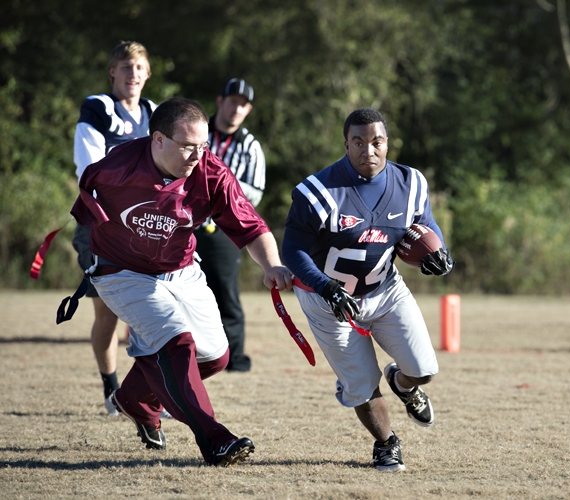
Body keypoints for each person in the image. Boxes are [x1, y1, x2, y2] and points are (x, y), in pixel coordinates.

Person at [69, 97, 293, 466]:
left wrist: (272, 264)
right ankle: (215, 440)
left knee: (217, 357)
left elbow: (251, 227)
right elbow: (85, 208)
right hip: (122, 271)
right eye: (187, 145)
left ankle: (135, 399)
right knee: (176, 341)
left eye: (202, 145)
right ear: (157, 140)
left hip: (181, 268)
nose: (197, 154)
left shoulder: (212, 172)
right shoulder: (115, 168)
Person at [281, 107, 454, 472]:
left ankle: (404, 384)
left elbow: (425, 225)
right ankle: (386, 443)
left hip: (384, 289)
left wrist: (438, 253)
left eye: (376, 142)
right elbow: (293, 251)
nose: (368, 151)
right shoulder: (317, 192)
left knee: (424, 368)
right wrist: (326, 288)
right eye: (358, 142)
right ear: (346, 145)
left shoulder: (411, 184)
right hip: (326, 297)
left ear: (387, 143)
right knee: (360, 383)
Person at [72, 41, 157, 416]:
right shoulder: (99, 108)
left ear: (148, 73)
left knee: (152, 311)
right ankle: (111, 389)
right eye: (125, 67)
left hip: (146, 226)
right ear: (113, 72)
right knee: (107, 314)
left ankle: (149, 391)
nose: (132, 74)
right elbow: (88, 169)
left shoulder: (155, 113)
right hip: (102, 225)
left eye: (139, 67)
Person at [194, 78, 266, 372]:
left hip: (224, 228)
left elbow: (256, 191)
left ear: (248, 110)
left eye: (243, 104)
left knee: (225, 293)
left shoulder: (250, 146)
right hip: (185, 223)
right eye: (233, 101)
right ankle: (187, 352)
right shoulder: (196, 129)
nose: (237, 108)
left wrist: (220, 188)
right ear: (220, 101)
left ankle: (234, 358)